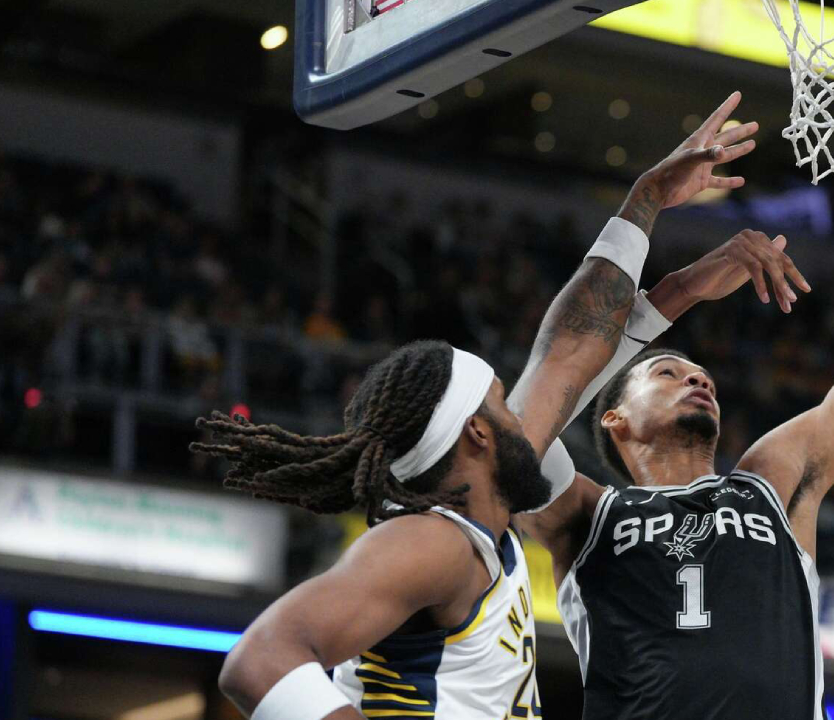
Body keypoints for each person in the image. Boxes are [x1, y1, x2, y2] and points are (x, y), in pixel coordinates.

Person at [192, 92, 790, 720]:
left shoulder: (472, 523)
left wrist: (655, 229)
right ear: (478, 436)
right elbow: (262, 659)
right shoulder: (433, 542)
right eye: (505, 402)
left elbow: (567, 355)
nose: (527, 412)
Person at [516, 138, 834, 720]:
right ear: (613, 417)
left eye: (705, 379)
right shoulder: (586, 517)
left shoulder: (771, 479)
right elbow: (528, 419)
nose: (701, 382)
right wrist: (671, 285)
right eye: (668, 372)